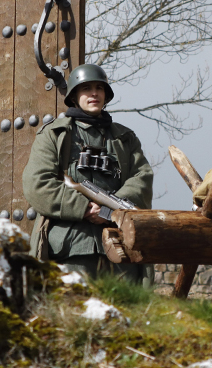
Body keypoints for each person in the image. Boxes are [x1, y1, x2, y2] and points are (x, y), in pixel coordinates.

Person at [23, 64, 154, 286]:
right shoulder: (54, 135)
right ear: (74, 96)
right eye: (86, 88)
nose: (94, 93)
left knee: (123, 307)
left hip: (120, 248)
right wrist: (83, 208)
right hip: (70, 249)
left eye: (99, 88)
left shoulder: (125, 138)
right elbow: (38, 184)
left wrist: (110, 211)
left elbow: (142, 178)